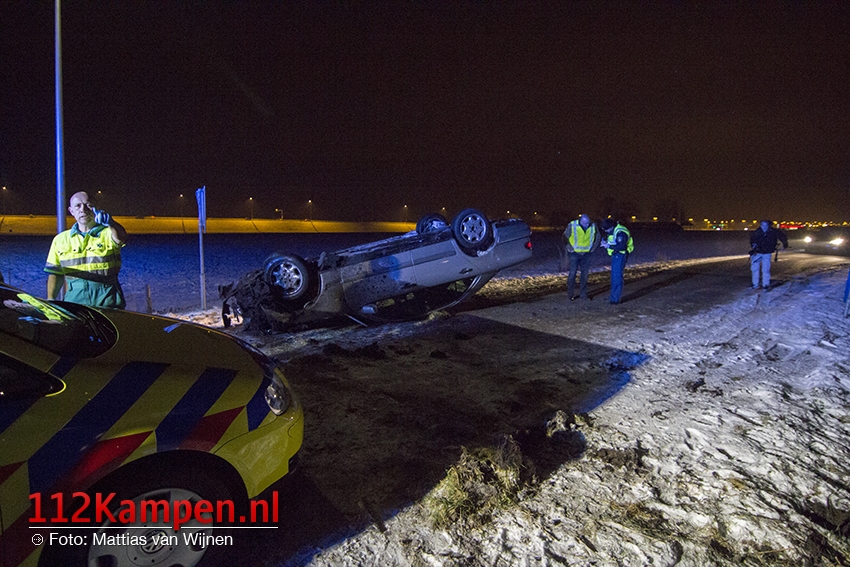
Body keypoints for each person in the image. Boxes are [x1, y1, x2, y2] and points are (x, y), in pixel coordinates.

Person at [44, 191, 128, 308]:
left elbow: (121, 237)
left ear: (97, 208)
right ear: (71, 211)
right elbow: (55, 273)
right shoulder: (60, 240)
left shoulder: (108, 233)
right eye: (77, 206)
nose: (83, 210)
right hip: (74, 303)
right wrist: (51, 300)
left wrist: (112, 223)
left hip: (108, 302)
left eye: (89, 205)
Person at [563, 213, 600, 300]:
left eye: (588, 223)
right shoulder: (572, 225)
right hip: (574, 253)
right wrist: (569, 248)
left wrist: (593, 248)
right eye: (584, 223)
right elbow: (564, 237)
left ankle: (583, 294)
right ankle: (570, 295)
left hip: (587, 253)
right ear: (580, 221)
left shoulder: (593, 225)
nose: (586, 225)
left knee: (585, 275)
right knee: (572, 274)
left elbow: (598, 236)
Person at [600, 218, 633, 304]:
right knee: (614, 277)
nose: (606, 231)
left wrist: (608, 246)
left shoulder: (621, 232)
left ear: (611, 227)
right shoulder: (615, 230)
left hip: (620, 255)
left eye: (606, 229)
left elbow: (622, 246)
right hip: (616, 255)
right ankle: (613, 297)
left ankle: (615, 299)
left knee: (617, 277)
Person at [749, 219, 788, 290]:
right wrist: (754, 246)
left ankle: (766, 284)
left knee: (766, 269)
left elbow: (782, 237)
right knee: (754, 269)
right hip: (757, 253)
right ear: (760, 225)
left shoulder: (773, 232)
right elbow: (752, 240)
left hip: (767, 253)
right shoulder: (756, 232)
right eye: (762, 225)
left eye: (766, 225)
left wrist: (785, 245)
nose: (764, 227)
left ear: (768, 225)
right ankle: (755, 284)